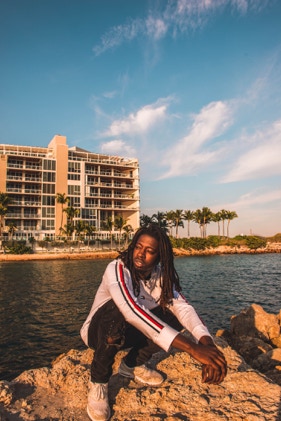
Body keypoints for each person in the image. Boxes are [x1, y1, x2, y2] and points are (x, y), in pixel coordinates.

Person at [81, 224, 227, 421]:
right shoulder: (116, 268)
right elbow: (130, 311)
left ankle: (131, 365)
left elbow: (184, 308)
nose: (141, 254)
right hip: (97, 332)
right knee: (118, 309)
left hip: (130, 331)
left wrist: (207, 346)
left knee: (174, 314)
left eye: (149, 251)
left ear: (159, 256)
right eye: (138, 247)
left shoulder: (161, 276)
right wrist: (192, 349)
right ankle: (98, 382)